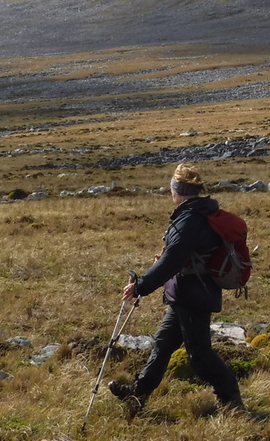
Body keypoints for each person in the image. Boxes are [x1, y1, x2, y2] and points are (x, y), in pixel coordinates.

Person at [108, 163, 243, 416]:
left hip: (193, 294)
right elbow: (180, 256)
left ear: (176, 189)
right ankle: (139, 393)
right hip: (187, 291)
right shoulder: (197, 213)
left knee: (200, 355)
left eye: (171, 188)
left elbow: (172, 262)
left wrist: (140, 286)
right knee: (163, 342)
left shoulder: (189, 219)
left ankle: (231, 398)